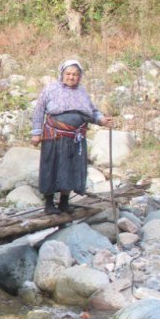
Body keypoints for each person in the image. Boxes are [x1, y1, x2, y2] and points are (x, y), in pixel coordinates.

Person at [30, 59, 114, 215]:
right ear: (62, 74)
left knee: (71, 169)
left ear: (80, 76)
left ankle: (64, 203)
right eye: (68, 73)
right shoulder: (50, 89)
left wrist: (102, 120)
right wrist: (36, 133)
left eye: (75, 74)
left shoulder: (82, 92)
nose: (71, 77)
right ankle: (49, 204)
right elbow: (39, 111)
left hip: (76, 138)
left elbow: (93, 112)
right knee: (51, 167)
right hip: (54, 136)